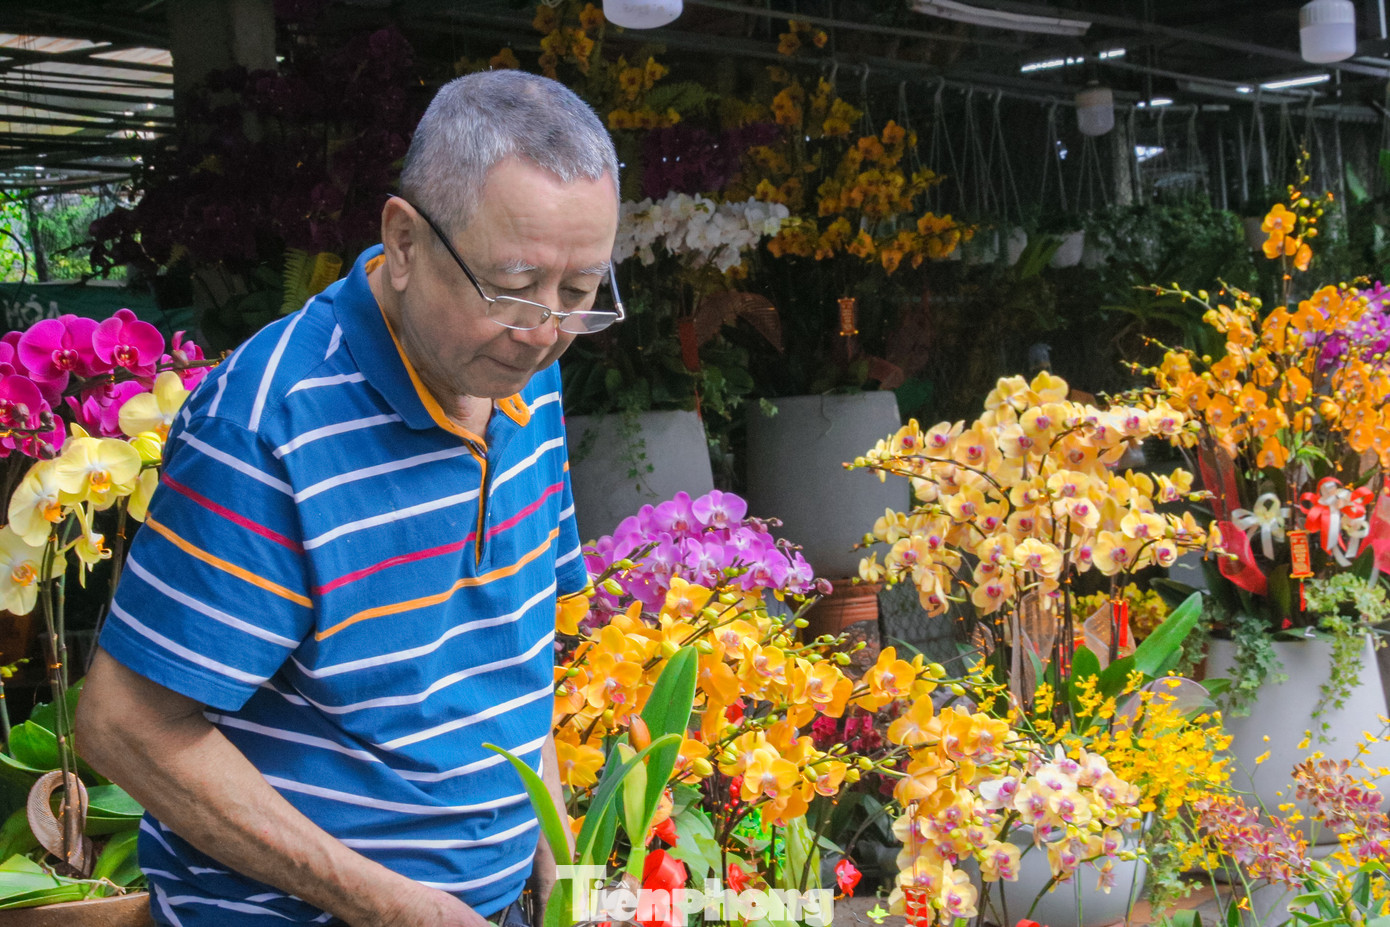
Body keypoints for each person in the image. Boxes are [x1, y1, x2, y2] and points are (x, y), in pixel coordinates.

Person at [75, 70, 623, 927]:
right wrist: (383, 902)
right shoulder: (269, 427)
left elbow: (509, 656)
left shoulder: (522, 372)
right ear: (403, 242)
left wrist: (555, 863)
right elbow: (122, 725)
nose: (545, 330)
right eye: (513, 285)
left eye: (581, 292)